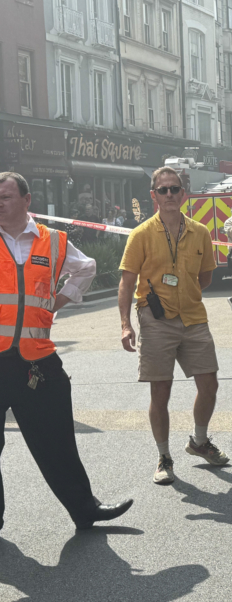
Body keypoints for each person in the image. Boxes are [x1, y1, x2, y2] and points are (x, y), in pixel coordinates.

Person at [0, 172, 133, 531]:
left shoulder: (53, 241)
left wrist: (53, 305)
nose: (0, 202)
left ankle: (84, 509)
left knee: (57, 439)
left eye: (6, 196)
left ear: (27, 201)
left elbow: (86, 268)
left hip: (36, 359)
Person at [118, 166, 229, 486]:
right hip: (155, 320)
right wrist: (126, 325)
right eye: (163, 190)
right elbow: (126, 283)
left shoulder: (200, 232)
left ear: (183, 194)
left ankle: (199, 441)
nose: (169, 195)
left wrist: (186, 293)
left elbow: (206, 276)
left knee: (209, 384)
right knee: (161, 391)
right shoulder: (140, 235)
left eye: (174, 189)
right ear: (153, 196)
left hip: (193, 317)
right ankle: (164, 456)